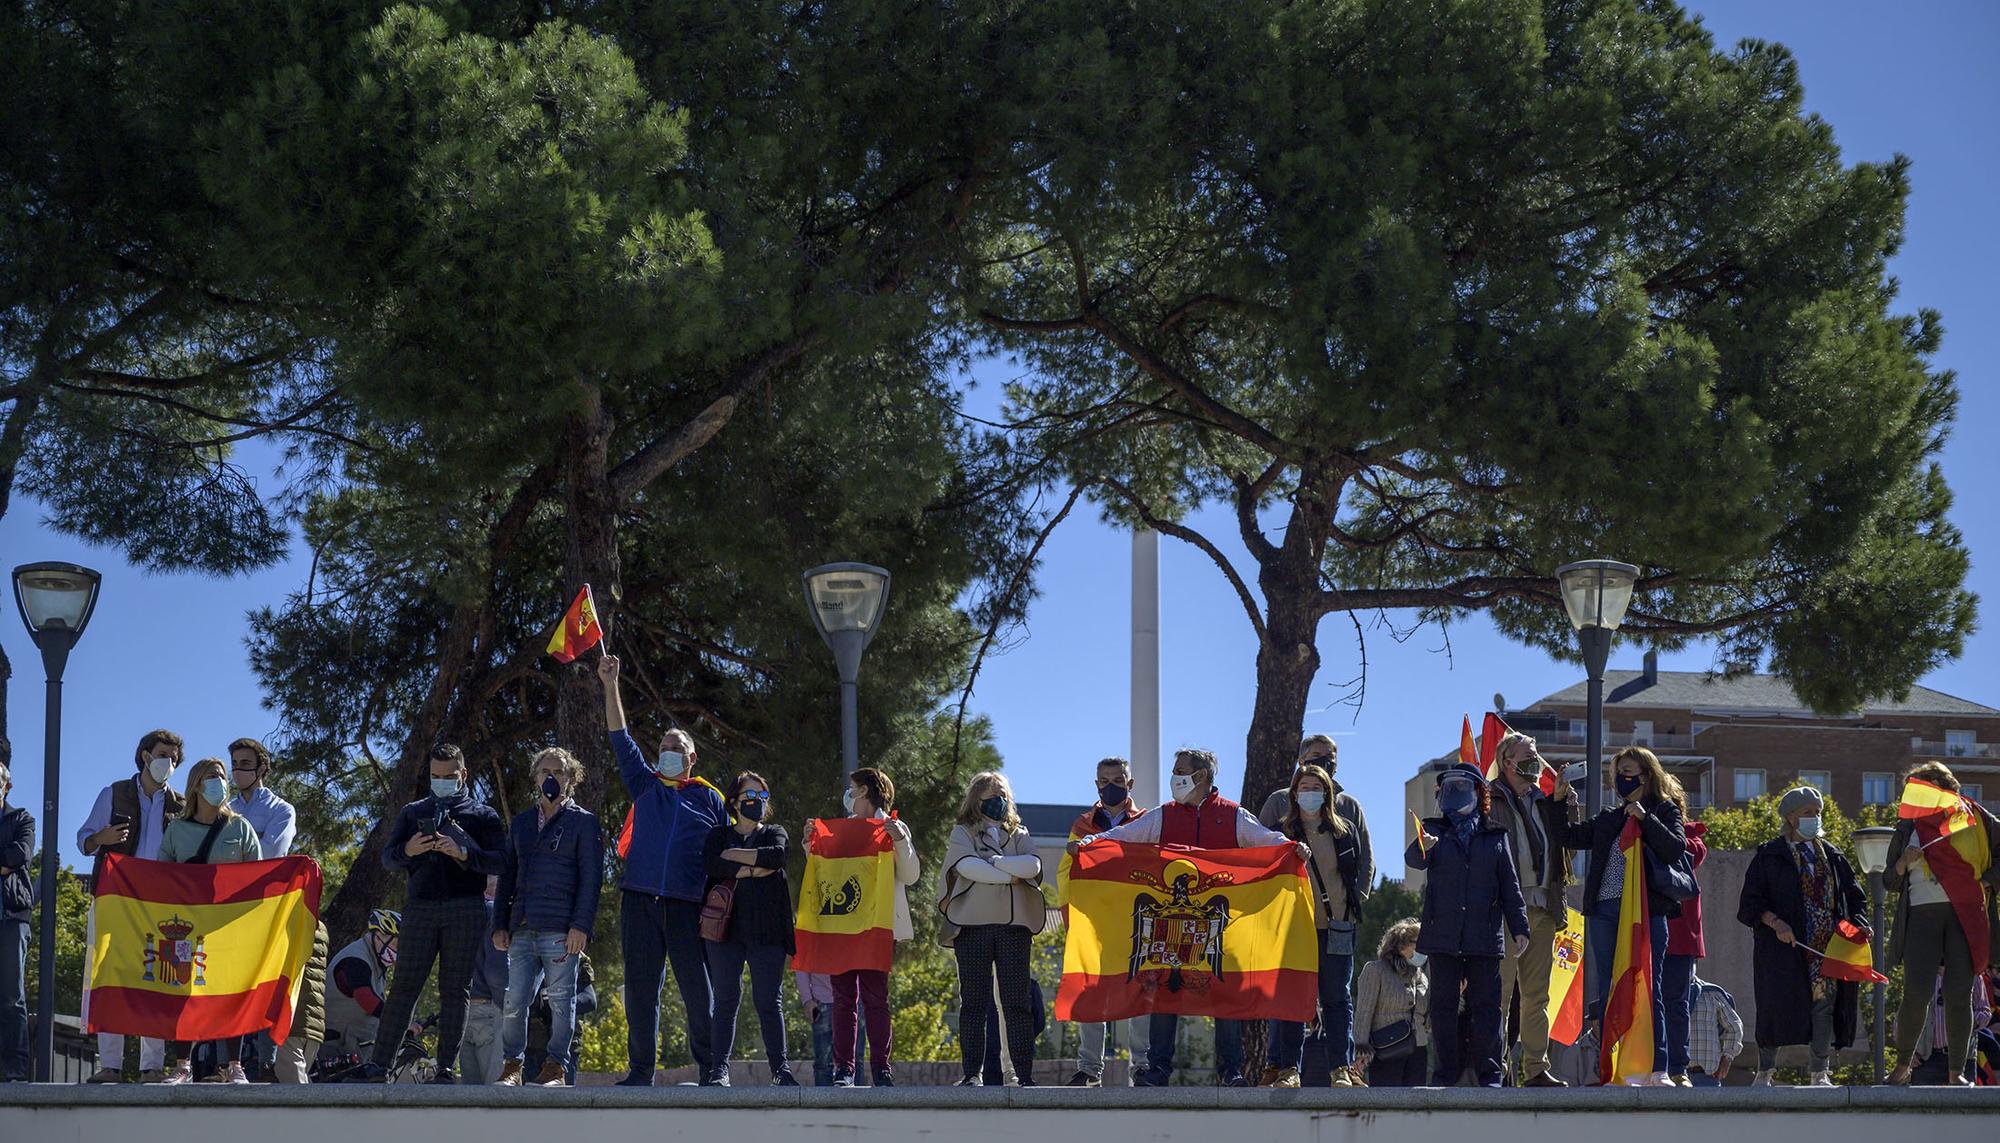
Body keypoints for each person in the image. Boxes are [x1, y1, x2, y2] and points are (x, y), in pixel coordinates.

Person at [1071, 748, 1292, 1086]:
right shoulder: (1163, 815)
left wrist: (1294, 850)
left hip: (1220, 925)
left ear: (1201, 776)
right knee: (1164, 991)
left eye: (1180, 771)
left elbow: (1269, 842)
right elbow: (1119, 838)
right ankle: (1158, 1070)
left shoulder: (1233, 815)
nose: (1174, 778)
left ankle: (1230, 1072)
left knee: (1225, 995)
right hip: (1173, 925)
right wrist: (1087, 844)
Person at [598, 653, 727, 1086]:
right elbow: (619, 736)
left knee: (698, 992)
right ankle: (640, 1072)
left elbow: (725, 856)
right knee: (640, 992)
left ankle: (712, 1069)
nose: (668, 753)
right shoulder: (645, 785)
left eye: (677, 748)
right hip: (639, 900)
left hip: (687, 907)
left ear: (692, 758)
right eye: (664, 748)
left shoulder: (711, 799)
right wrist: (610, 683)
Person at [340, 743, 504, 1084]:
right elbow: (388, 859)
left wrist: (463, 854)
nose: (441, 781)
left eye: (449, 776)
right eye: (435, 776)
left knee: (455, 990)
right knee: (403, 988)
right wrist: (408, 849)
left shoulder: (483, 815)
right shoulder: (412, 811)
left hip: (466, 908)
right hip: (420, 910)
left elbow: (500, 861)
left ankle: (445, 1068)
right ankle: (379, 1066)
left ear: (463, 774)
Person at [1559, 745, 1686, 1086]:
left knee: (1649, 985)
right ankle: (1614, 1066)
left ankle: (1657, 1067)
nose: (1621, 779)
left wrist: (1646, 817)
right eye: (1617, 773)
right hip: (1604, 911)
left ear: (1647, 775)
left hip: (1646, 913)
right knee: (1610, 987)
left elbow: (1675, 848)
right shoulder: (1610, 818)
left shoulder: (1665, 810)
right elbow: (1568, 836)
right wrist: (1563, 804)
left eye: (1628, 772)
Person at [1407, 762, 1530, 1087]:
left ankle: (1491, 1074)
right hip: (1442, 936)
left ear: (1479, 793)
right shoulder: (1433, 830)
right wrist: (1424, 847)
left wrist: (1520, 927)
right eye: (1450, 788)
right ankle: (1444, 1074)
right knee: (1443, 1009)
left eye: (1463, 787)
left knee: (1487, 1008)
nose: (1456, 793)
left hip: (1484, 937)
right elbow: (1413, 859)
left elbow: (1510, 887)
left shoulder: (1495, 836)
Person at [1737, 784, 1866, 1087]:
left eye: (1818, 813)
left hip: (1826, 946)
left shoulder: (1832, 856)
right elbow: (1750, 905)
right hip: (1784, 948)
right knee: (1775, 1005)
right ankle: (1765, 1071)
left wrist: (1858, 924)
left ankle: (1819, 1073)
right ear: (1791, 817)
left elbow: (1855, 897)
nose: (1815, 818)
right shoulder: (1770, 855)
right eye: (1808, 813)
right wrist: (1776, 923)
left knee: (1824, 1006)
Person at [77, 729, 185, 1082]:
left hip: (160, 904)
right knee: (110, 976)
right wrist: (101, 838)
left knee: (155, 979)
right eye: (163, 754)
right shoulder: (114, 793)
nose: (168, 762)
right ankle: (110, 1065)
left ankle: (151, 1067)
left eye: (173, 757)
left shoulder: (180, 805)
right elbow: (84, 841)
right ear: (144, 756)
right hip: (115, 899)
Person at [492, 748, 601, 1087]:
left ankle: (555, 1068)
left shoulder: (583, 821)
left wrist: (580, 925)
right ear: (536, 777)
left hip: (561, 929)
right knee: (514, 1001)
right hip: (522, 927)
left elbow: (591, 877)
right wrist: (500, 924)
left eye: (558, 772)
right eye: (544, 772)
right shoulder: (522, 823)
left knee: (561, 1002)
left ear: (571, 779)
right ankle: (513, 1066)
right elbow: (507, 875)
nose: (550, 778)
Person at [1886, 762, 2000, 1086]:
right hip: (1921, 915)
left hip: (1966, 913)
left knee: (1959, 993)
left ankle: (1956, 1073)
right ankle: (1903, 1066)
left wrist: (1987, 882)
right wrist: (1901, 864)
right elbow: (1888, 881)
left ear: (1938, 786)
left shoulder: (1976, 818)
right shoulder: (1908, 825)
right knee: (1916, 992)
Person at [157, 758, 264, 1083]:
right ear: (196, 786)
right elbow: (159, 879)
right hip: (185, 928)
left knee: (231, 994)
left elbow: (257, 878)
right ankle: (182, 1067)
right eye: (211, 777)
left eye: (221, 777)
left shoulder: (240, 828)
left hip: (228, 929)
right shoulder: (176, 829)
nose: (218, 782)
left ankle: (234, 1066)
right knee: (183, 993)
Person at [1265, 762, 1370, 1087]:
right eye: (1304, 787)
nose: (1310, 793)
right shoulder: (1281, 834)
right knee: (1294, 999)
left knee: (1338, 999)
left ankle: (1341, 1069)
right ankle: (1288, 1070)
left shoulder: (1344, 830)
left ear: (1327, 793)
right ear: (1294, 794)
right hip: (1294, 930)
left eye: (1316, 788)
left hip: (1338, 926)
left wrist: (1355, 904)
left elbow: (1361, 868)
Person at [944, 771, 1046, 1086]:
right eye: (990, 795)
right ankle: (971, 1073)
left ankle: (1021, 1074)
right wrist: (1010, 871)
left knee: (1016, 1002)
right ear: (976, 799)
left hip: (1014, 928)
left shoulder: (1019, 832)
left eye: (1002, 794)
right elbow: (966, 867)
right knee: (973, 1003)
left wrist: (995, 862)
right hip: (972, 927)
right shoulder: (963, 832)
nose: (998, 801)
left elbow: (1034, 866)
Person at [1486, 732, 1573, 1087]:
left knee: (1538, 996)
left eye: (1535, 756)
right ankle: (1498, 1069)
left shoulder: (1545, 800)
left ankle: (1536, 1068)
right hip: (1505, 910)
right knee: (1501, 994)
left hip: (1543, 907)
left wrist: (1566, 802)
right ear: (1506, 762)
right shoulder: (1489, 797)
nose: (1534, 763)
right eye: (1526, 756)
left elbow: (1567, 846)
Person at [702, 771, 796, 1086]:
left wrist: (736, 859)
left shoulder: (775, 831)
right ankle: (719, 1071)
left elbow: (778, 856)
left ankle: (780, 1071)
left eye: (763, 797)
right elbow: (712, 863)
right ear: (734, 802)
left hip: (768, 932)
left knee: (769, 1001)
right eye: (750, 797)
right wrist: (755, 869)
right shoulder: (718, 835)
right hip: (724, 932)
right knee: (726, 999)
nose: (757, 802)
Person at [1060, 756, 1147, 1088]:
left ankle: (1141, 1067)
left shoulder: (1144, 822)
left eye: (1117, 780)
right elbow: (1066, 874)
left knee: (1141, 993)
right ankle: (1089, 1069)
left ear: (1130, 784)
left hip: (1135, 923)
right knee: (1092, 993)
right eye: (1104, 781)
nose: (1110, 786)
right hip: (1095, 925)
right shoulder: (1082, 824)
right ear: (1096, 784)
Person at [833, 766, 919, 1087]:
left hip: (879, 925)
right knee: (843, 999)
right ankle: (844, 1070)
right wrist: (810, 846)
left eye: (852, 787)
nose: (848, 793)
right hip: (844, 925)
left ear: (864, 791)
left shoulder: (894, 826)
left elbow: (910, 875)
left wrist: (899, 840)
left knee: (875, 999)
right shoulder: (842, 828)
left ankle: (881, 1069)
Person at [1351, 918, 1430, 1088]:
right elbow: (1364, 1012)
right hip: (1387, 1050)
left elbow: (1428, 1018)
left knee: (1416, 1109)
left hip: (1418, 1051)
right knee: (1386, 1106)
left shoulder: (1422, 977)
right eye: (1417, 943)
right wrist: (1360, 1052)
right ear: (1400, 945)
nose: (1423, 949)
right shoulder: (1375, 970)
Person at [1662, 820, 1710, 1086]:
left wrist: (1659, 832)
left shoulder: (1690, 837)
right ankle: (1649, 1063)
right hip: (1644, 931)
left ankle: (1677, 1067)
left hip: (1680, 939)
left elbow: (1694, 853)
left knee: (1677, 1004)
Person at [322, 909, 399, 1065]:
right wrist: (399, 1019)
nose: (399, 951)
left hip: (356, 1045)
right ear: (379, 936)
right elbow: (366, 1000)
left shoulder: (376, 962)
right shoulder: (355, 959)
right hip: (336, 1048)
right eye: (397, 943)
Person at [1, 762, 35, 1083]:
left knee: (12, 996)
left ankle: (15, 1071)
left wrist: (8, 861)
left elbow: (19, 855)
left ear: (7, 786)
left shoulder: (22, 819)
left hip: (12, 917)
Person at [459, 877, 508, 1085]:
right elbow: (497, 971)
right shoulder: (494, 915)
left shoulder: (460, 914)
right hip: (489, 1008)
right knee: (495, 1096)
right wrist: (507, 1005)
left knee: (470, 1098)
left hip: (460, 1011)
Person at [1907, 969, 1990, 1085]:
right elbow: (1906, 1015)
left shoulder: (1973, 974)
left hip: (1964, 1058)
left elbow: (1984, 1011)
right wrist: (1907, 1052)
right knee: (1925, 1102)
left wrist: (1969, 1021)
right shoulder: (1920, 974)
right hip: (1926, 1058)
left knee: (1965, 1101)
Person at [275, 921, 329, 1083]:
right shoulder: (321, 928)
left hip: (291, 1022)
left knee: (294, 1094)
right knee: (302, 1084)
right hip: (314, 1025)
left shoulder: (290, 921)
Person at [1684, 971, 1742, 1087]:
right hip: (1674, 1077)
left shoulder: (1711, 993)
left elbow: (1734, 1027)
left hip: (1706, 1078)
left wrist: (1727, 1057)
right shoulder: (1665, 994)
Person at [795, 969, 836, 1086]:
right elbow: (801, 964)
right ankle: (823, 1102)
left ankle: (855, 1103)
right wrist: (807, 999)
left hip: (854, 1000)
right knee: (823, 1062)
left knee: (856, 1058)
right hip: (821, 1001)